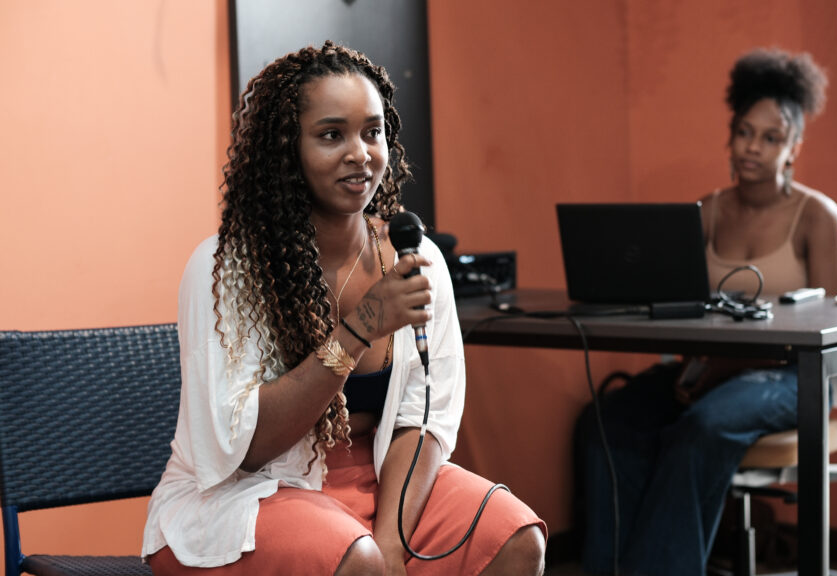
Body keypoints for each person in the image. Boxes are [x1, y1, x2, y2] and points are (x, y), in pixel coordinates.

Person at [142, 41, 546, 576]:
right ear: (287, 150)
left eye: (372, 132)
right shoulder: (228, 268)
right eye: (332, 135)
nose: (360, 153)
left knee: (516, 539)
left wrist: (392, 540)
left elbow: (422, 420)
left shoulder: (414, 257)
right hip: (248, 493)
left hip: (381, 481)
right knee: (356, 559)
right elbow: (248, 449)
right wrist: (360, 328)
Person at [580, 48, 837, 575]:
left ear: (793, 148)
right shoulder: (705, 212)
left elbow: (833, 330)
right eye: (745, 132)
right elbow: (677, 303)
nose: (753, 146)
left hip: (792, 377)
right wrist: (703, 366)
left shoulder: (817, 217)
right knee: (608, 423)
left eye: (771, 137)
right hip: (708, 369)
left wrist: (723, 369)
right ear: (730, 135)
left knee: (700, 429)